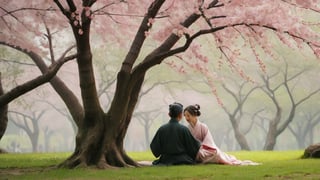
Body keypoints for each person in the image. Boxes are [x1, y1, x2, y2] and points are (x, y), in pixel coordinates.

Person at [184, 104, 260, 165]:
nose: (186, 118)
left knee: (216, 154)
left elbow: (209, 142)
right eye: (185, 116)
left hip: (206, 149)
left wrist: (201, 148)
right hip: (196, 150)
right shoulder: (188, 128)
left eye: (188, 115)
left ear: (194, 115)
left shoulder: (203, 126)